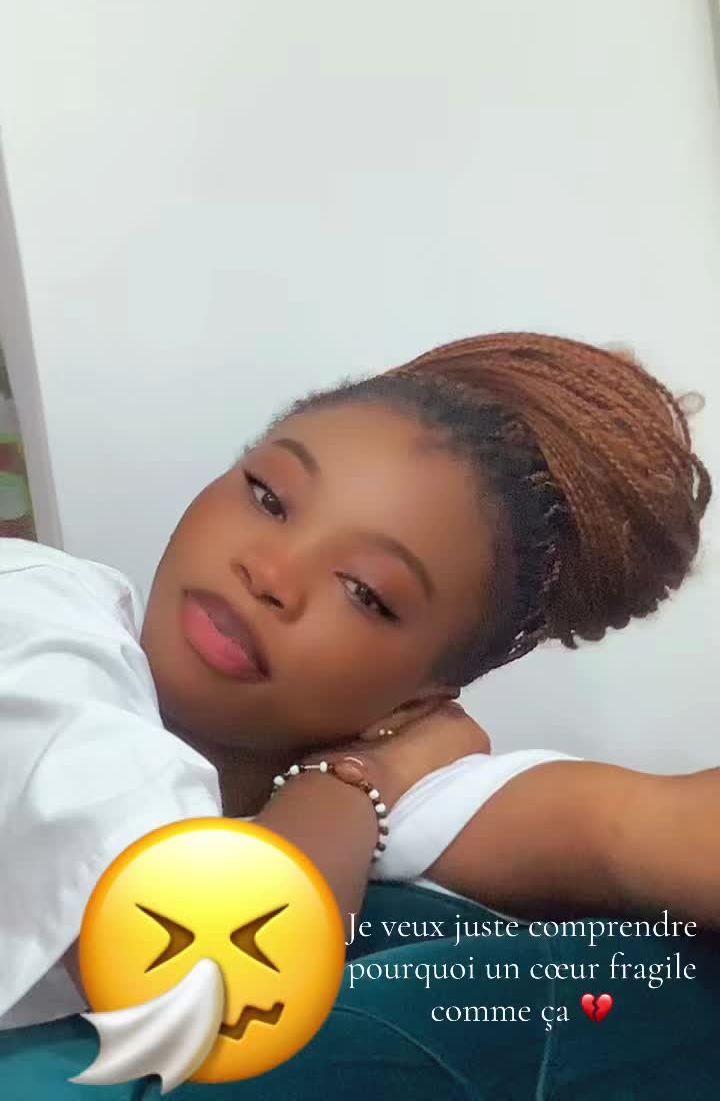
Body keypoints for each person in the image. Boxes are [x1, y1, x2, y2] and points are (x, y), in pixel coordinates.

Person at [0, 331, 716, 1040]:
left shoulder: (372, 777)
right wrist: (360, 781)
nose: (271, 574)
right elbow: (203, 984)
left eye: (365, 592)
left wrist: (359, 782)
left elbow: (635, 829)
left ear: (416, 702)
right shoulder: (35, 614)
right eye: (269, 497)